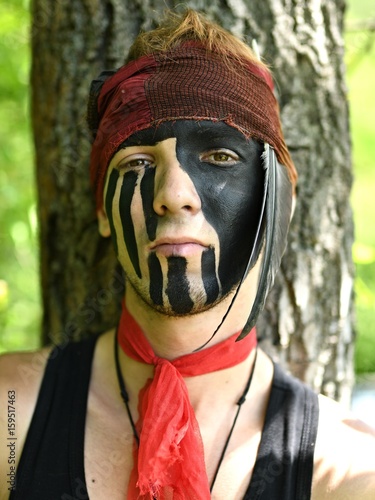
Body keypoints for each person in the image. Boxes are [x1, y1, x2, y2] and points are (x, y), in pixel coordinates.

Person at [1, 9, 374, 500]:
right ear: (104, 211)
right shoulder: (12, 413)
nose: (174, 193)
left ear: (279, 202)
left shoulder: (346, 471)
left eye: (220, 157)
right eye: (137, 161)